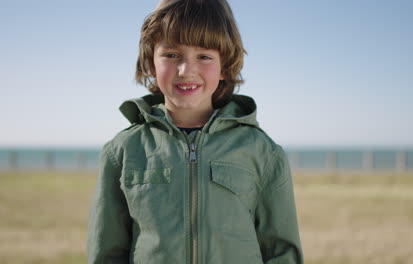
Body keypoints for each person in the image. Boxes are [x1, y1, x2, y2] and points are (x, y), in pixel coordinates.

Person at [87, 0, 303, 263]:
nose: (186, 70)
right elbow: (106, 254)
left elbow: (283, 253)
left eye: (204, 56)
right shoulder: (121, 151)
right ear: (150, 61)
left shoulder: (263, 152)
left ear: (224, 66)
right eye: (171, 54)